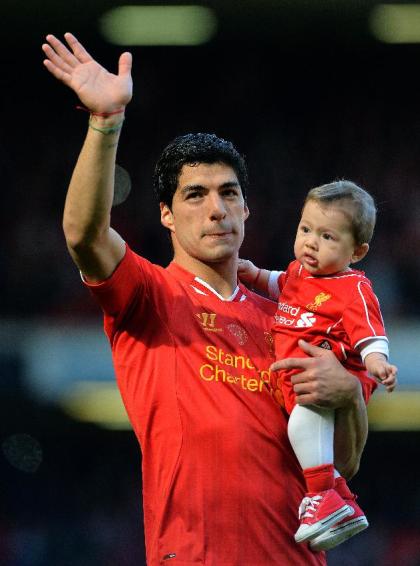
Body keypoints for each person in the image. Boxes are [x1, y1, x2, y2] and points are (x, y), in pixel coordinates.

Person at [42, 33, 370, 565]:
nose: (216, 209)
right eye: (195, 195)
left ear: (247, 209)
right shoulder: (148, 295)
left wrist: (349, 397)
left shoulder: (292, 317)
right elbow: (84, 234)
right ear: (167, 216)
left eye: (229, 193)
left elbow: (344, 466)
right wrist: (105, 124)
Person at [238, 180, 397, 551]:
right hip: (300, 380)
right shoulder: (299, 272)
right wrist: (252, 273)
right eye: (305, 229)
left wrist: (378, 363)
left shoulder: (352, 287)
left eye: (327, 237)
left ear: (356, 251)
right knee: (306, 429)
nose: (311, 242)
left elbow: (370, 334)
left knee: (302, 424)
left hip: (330, 375)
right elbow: (278, 283)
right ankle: (345, 501)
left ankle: (322, 496)